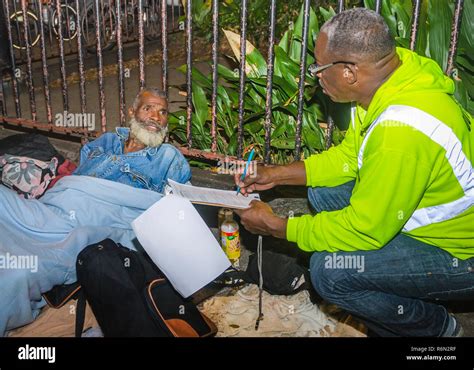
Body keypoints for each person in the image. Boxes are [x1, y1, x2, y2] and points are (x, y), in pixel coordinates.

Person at [234, 8, 474, 337]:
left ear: (349, 72)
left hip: (460, 253)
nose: (314, 76)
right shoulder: (392, 76)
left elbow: (366, 229)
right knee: (322, 192)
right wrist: (277, 173)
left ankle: (436, 331)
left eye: (319, 67)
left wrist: (278, 227)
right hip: (417, 217)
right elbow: (350, 159)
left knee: (331, 271)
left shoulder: (401, 132)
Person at [74, 88, 191, 192]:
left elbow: (184, 198)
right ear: (132, 112)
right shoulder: (107, 141)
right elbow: (76, 178)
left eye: (163, 112)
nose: (156, 117)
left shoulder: (167, 157)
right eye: (148, 108)